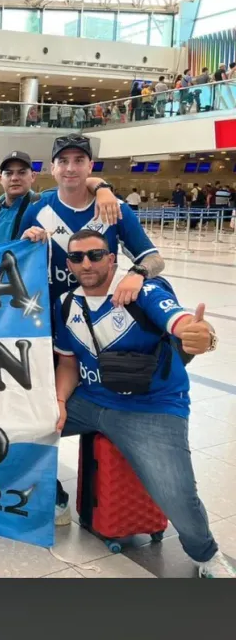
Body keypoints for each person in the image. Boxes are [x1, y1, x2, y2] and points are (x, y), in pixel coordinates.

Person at [52, 229, 234, 578]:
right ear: (69, 264)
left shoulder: (142, 292)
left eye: (95, 254)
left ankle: (206, 555)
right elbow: (68, 362)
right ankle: (53, 496)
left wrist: (200, 333)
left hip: (151, 407)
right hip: (89, 400)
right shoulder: (67, 304)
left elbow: (179, 319)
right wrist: (59, 401)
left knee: (175, 492)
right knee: (23, 428)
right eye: (76, 257)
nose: (86, 263)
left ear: (112, 258)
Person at [20, 133, 163, 306]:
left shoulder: (115, 209)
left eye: (79, 160)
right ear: (53, 168)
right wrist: (24, 244)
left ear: (90, 166)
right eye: (63, 161)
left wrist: (137, 273)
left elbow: (154, 259)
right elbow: (18, 266)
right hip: (53, 317)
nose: (70, 168)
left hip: (104, 315)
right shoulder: (37, 211)